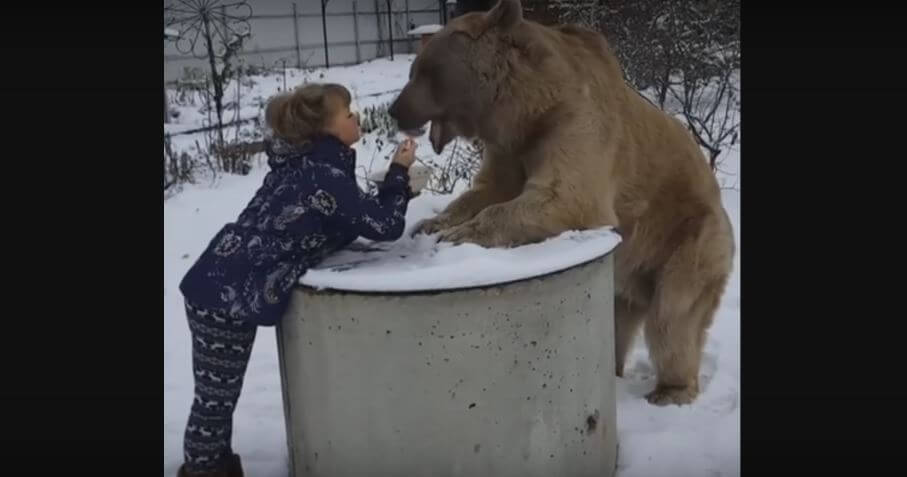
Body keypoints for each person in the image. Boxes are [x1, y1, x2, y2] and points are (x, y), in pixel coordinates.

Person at [176, 83, 418, 477]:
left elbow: (341, 216)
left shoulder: (309, 166)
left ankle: (209, 465)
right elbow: (384, 224)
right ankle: (204, 470)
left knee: (215, 397)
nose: (355, 117)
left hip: (219, 279)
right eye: (347, 113)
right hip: (223, 292)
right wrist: (399, 173)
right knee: (215, 400)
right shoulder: (323, 174)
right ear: (325, 129)